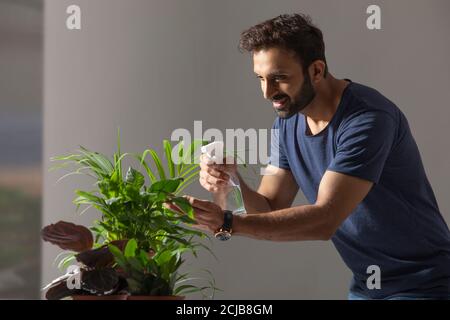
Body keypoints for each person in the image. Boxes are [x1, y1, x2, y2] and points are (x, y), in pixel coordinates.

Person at [168, 13, 450, 300]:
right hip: (368, 286)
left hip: (425, 284)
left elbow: (325, 219)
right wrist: (231, 180)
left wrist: (227, 223)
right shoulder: (287, 122)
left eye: (279, 78)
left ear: (316, 70)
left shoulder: (368, 119)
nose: (268, 93)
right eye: (261, 79)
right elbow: (268, 207)